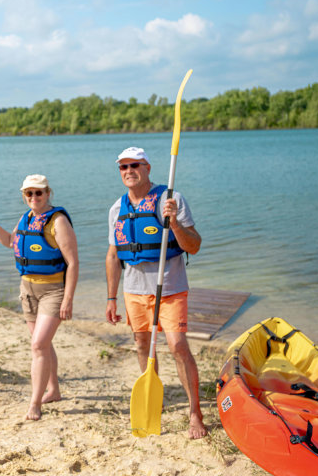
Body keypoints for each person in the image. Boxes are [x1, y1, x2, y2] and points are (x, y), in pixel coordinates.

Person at [104, 146, 208, 439]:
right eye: (123, 167)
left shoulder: (170, 199)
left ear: (147, 167)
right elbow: (113, 257)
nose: (129, 171)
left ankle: (195, 412)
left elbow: (194, 245)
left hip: (170, 287)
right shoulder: (116, 209)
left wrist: (173, 222)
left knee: (177, 346)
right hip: (134, 290)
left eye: (134, 165)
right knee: (141, 346)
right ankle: (154, 397)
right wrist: (111, 298)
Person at [0, 174, 79, 421]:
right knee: (43, 344)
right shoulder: (26, 218)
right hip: (28, 289)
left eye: (39, 193)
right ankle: (54, 389)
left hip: (53, 290)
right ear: (24, 196)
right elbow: (11, 242)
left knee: (38, 345)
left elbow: (73, 262)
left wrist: (68, 299)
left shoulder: (58, 221)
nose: (34, 198)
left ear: (48, 193)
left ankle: (35, 403)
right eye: (29, 194)